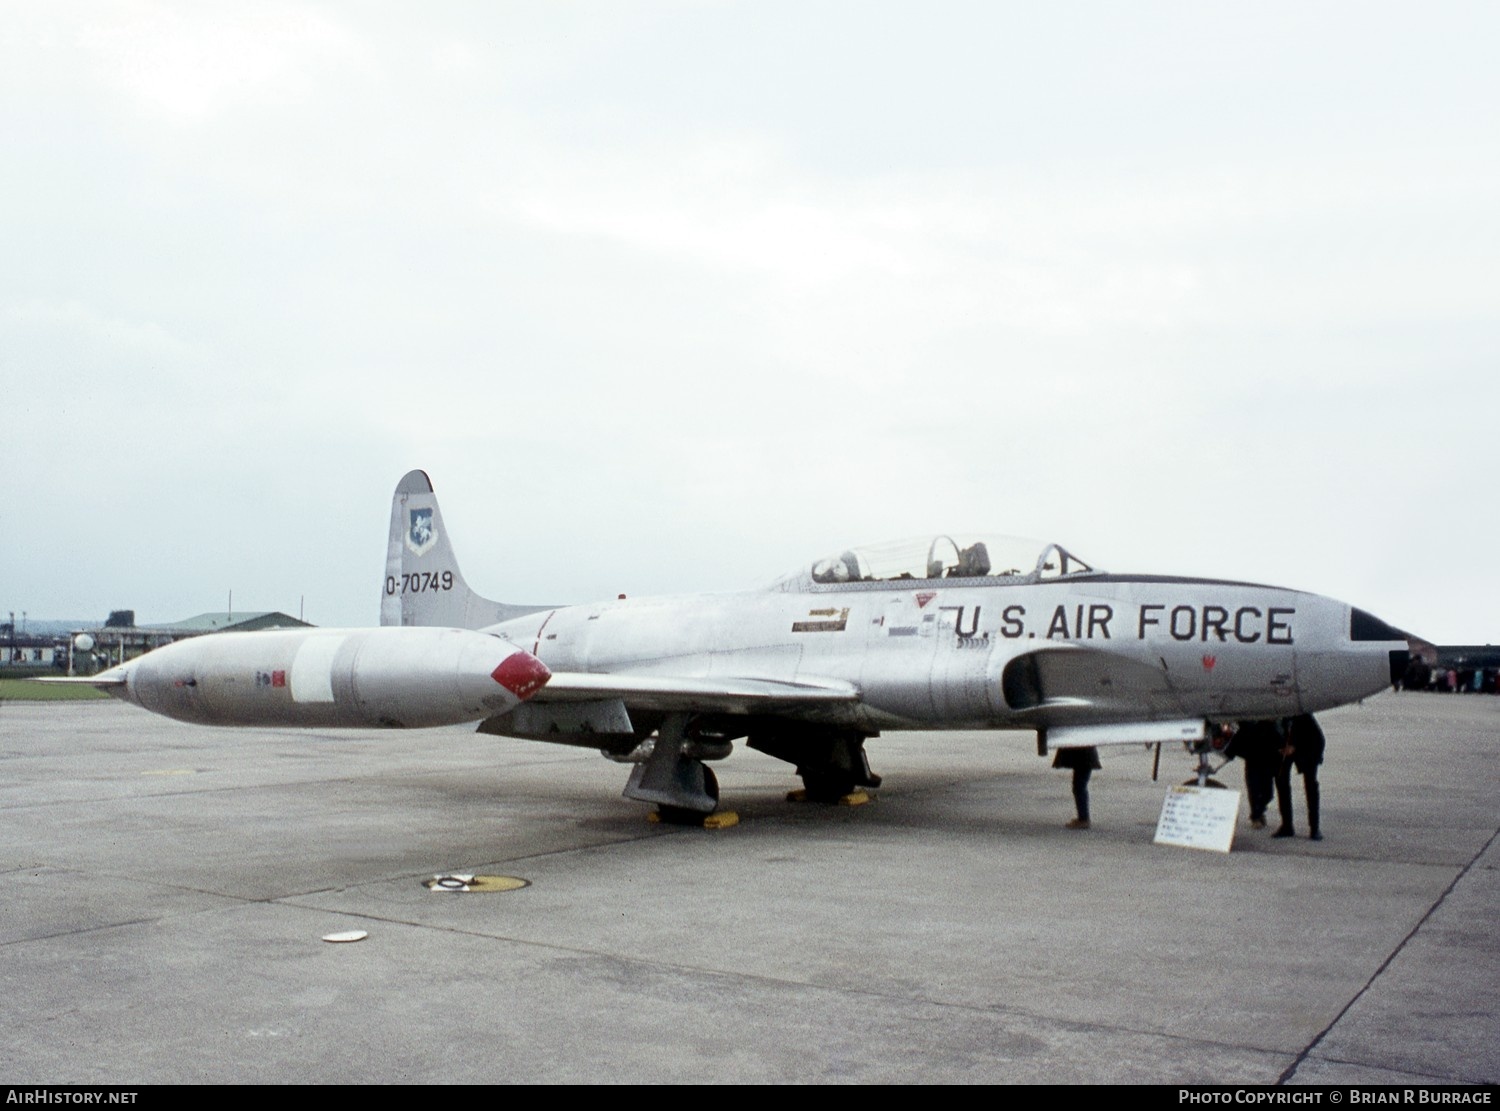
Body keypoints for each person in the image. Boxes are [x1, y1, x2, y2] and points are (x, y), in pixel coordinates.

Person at [1274, 713, 1326, 840]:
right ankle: (1287, 826)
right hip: (1285, 745)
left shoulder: (1305, 718)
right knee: (1281, 781)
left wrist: (1294, 746)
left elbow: (1317, 739)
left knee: (1310, 785)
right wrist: (1281, 748)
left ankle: (1314, 828)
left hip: (1308, 746)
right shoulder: (1277, 716)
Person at [1225, 720, 1282, 829]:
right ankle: (1256, 816)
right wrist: (1229, 753)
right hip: (1252, 762)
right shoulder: (1247, 725)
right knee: (1254, 790)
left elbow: (1278, 739)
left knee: (1268, 793)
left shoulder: (1270, 724)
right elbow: (1238, 739)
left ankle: (1259, 811)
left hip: (1267, 762)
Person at [1053, 745, 1101, 829]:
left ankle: (1083, 819)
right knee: (1079, 787)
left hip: (1084, 760)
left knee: (1079, 787)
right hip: (1086, 759)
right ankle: (1083, 818)